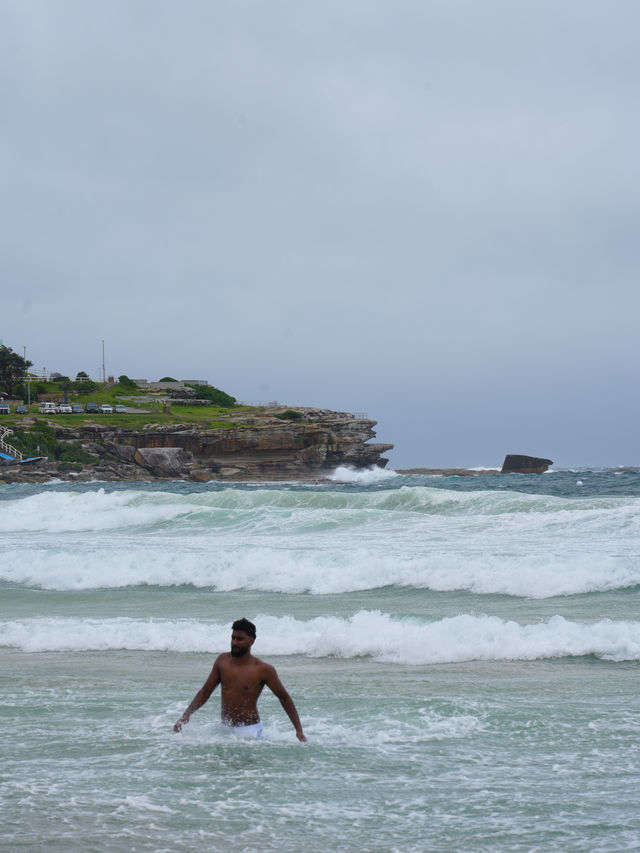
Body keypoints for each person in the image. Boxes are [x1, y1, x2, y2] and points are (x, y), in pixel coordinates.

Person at [174, 618, 307, 741]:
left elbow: (284, 698)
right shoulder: (222, 661)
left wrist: (299, 731)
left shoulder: (263, 669)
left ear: (251, 641)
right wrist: (186, 715)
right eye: (233, 638)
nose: (234, 642)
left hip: (249, 731)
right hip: (225, 728)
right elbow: (205, 691)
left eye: (239, 639)